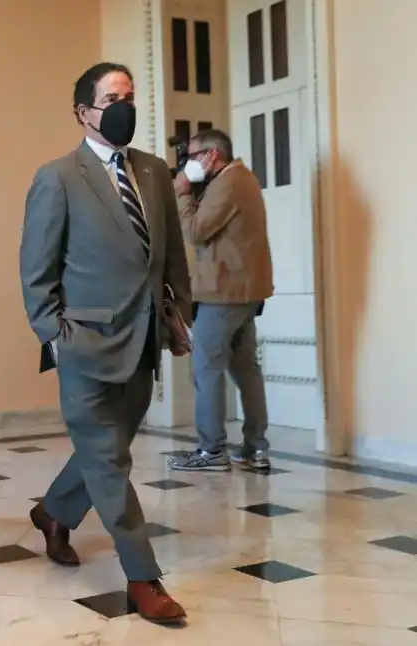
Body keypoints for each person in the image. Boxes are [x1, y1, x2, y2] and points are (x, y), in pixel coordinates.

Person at [19, 63, 191, 625]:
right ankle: (143, 578)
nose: (124, 107)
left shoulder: (155, 171)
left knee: (107, 451)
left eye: (129, 97)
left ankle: (53, 511)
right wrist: (56, 335)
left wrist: (180, 314)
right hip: (84, 343)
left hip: (144, 340)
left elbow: (170, 254)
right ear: (83, 112)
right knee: (111, 462)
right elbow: (37, 271)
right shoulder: (58, 177)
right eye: (112, 98)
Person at [167, 129, 273, 472]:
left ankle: (211, 450)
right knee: (246, 369)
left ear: (212, 155)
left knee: (206, 371)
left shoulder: (228, 183)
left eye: (192, 156)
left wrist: (183, 192)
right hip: (244, 291)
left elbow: (196, 231)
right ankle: (256, 447)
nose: (188, 163)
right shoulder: (243, 178)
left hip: (223, 293)